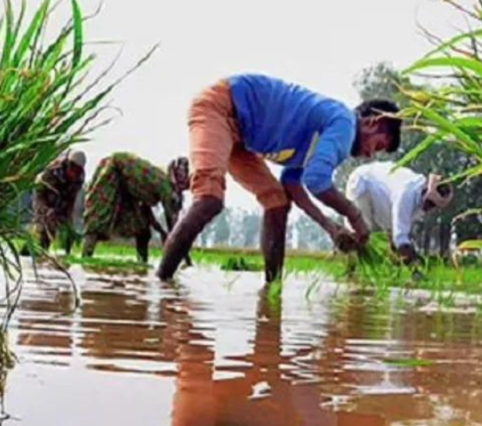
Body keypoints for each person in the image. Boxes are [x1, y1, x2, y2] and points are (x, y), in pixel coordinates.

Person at [156, 74, 402, 283]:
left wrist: (330, 227)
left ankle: (272, 288)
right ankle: (161, 285)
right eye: (377, 146)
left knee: (278, 202)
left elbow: (292, 184)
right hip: (221, 108)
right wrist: (354, 216)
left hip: (243, 138)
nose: (370, 155)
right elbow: (316, 180)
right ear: (371, 123)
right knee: (209, 199)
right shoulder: (345, 125)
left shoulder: (329, 131)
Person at [81, 153, 191, 263]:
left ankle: (142, 262)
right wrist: (186, 259)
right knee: (98, 219)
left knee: (142, 229)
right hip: (114, 170)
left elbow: (146, 212)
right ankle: (85, 258)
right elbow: (174, 228)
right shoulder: (165, 187)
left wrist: (161, 231)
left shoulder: (158, 183)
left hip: (128, 188)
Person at [344, 161, 454, 265]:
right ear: (425, 190)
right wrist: (415, 263)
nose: (428, 208)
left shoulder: (419, 200)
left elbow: (398, 230)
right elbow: (400, 238)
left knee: (385, 241)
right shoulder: (406, 194)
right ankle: (352, 272)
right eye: (429, 203)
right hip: (363, 184)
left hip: (382, 197)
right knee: (361, 234)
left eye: (433, 206)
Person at [33, 150, 87, 254]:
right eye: (73, 168)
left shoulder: (80, 177)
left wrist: (66, 217)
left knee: (67, 228)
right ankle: (39, 251)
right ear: (68, 164)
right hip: (45, 194)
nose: (75, 173)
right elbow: (40, 194)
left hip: (64, 198)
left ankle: (65, 253)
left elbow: (71, 199)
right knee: (45, 225)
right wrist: (46, 209)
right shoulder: (52, 171)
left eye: (78, 170)